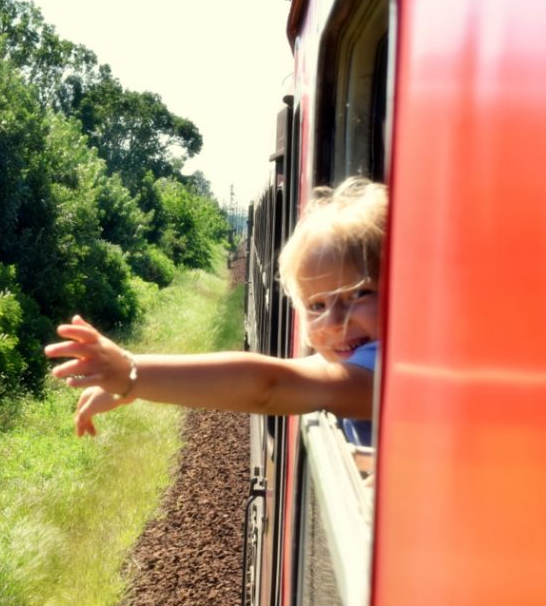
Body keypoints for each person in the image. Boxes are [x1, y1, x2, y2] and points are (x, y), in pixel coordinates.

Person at [45, 177, 386, 440]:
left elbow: (267, 386)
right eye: (316, 305)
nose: (334, 322)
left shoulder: (387, 367)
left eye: (358, 295)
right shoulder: (355, 360)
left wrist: (132, 374)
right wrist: (132, 385)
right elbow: (290, 370)